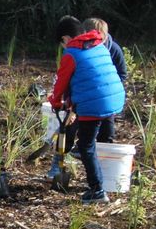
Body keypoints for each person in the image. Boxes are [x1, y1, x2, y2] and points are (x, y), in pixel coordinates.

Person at [47, 16, 126, 203]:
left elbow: (60, 85)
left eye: (61, 44)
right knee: (93, 142)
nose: (63, 48)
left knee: (85, 145)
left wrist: (56, 102)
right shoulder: (98, 45)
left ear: (66, 39)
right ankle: (103, 183)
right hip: (114, 99)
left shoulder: (71, 54)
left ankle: (97, 190)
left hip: (94, 103)